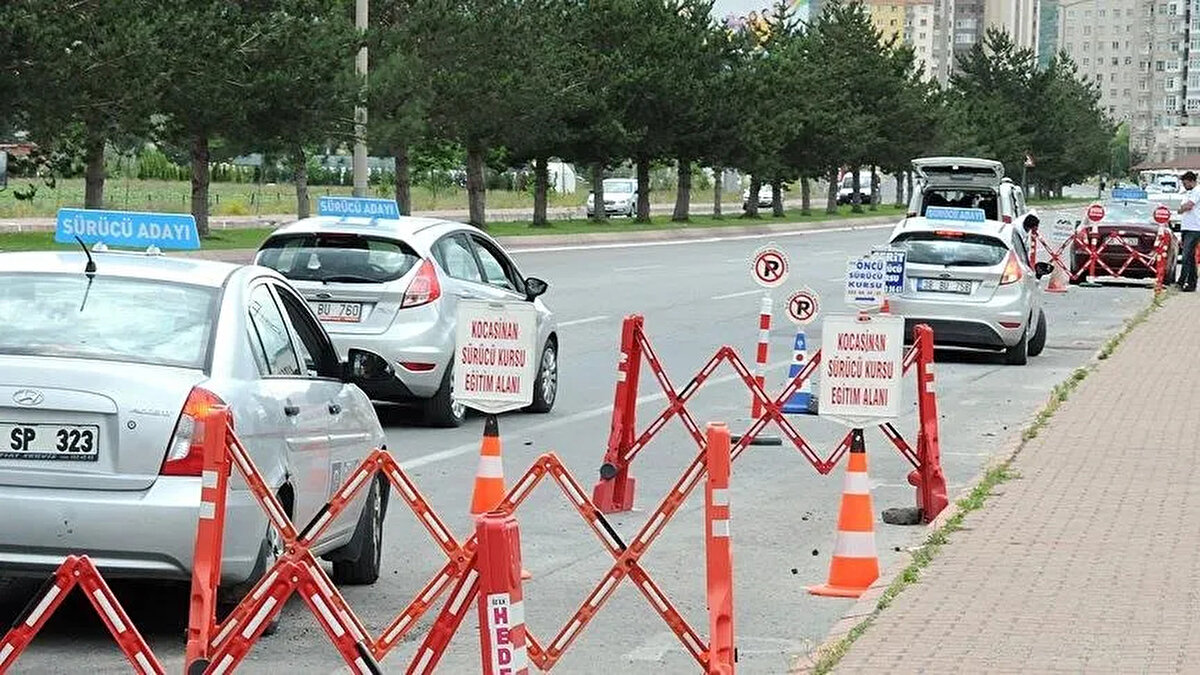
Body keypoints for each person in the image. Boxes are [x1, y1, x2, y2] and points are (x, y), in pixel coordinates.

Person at [1177, 171, 1200, 291]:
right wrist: (1182, 209)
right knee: (1190, 257)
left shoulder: (1197, 191)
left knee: (1186, 256)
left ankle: (1181, 281)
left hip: (1194, 228)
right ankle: (1191, 283)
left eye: (1185, 183)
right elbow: (1184, 207)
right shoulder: (1188, 193)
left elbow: (1188, 206)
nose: (1184, 185)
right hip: (1187, 227)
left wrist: (1181, 209)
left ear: (1191, 181)